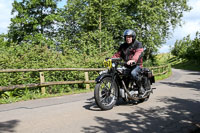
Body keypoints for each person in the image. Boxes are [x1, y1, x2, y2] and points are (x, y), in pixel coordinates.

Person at [112, 29, 145, 95]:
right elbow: (117, 54)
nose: (128, 38)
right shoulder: (123, 46)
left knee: (133, 73)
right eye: (126, 37)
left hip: (137, 65)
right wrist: (111, 59)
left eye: (129, 37)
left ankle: (140, 87)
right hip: (126, 65)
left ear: (133, 37)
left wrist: (133, 60)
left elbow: (138, 53)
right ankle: (124, 89)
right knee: (118, 73)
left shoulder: (138, 44)